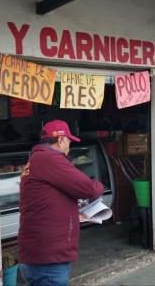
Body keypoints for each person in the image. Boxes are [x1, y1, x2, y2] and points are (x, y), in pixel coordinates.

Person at [18, 119, 104, 286]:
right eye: (69, 142)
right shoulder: (50, 159)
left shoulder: (37, 158)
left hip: (40, 255)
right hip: (48, 260)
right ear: (60, 140)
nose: (69, 147)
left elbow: (49, 199)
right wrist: (101, 184)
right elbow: (91, 189)